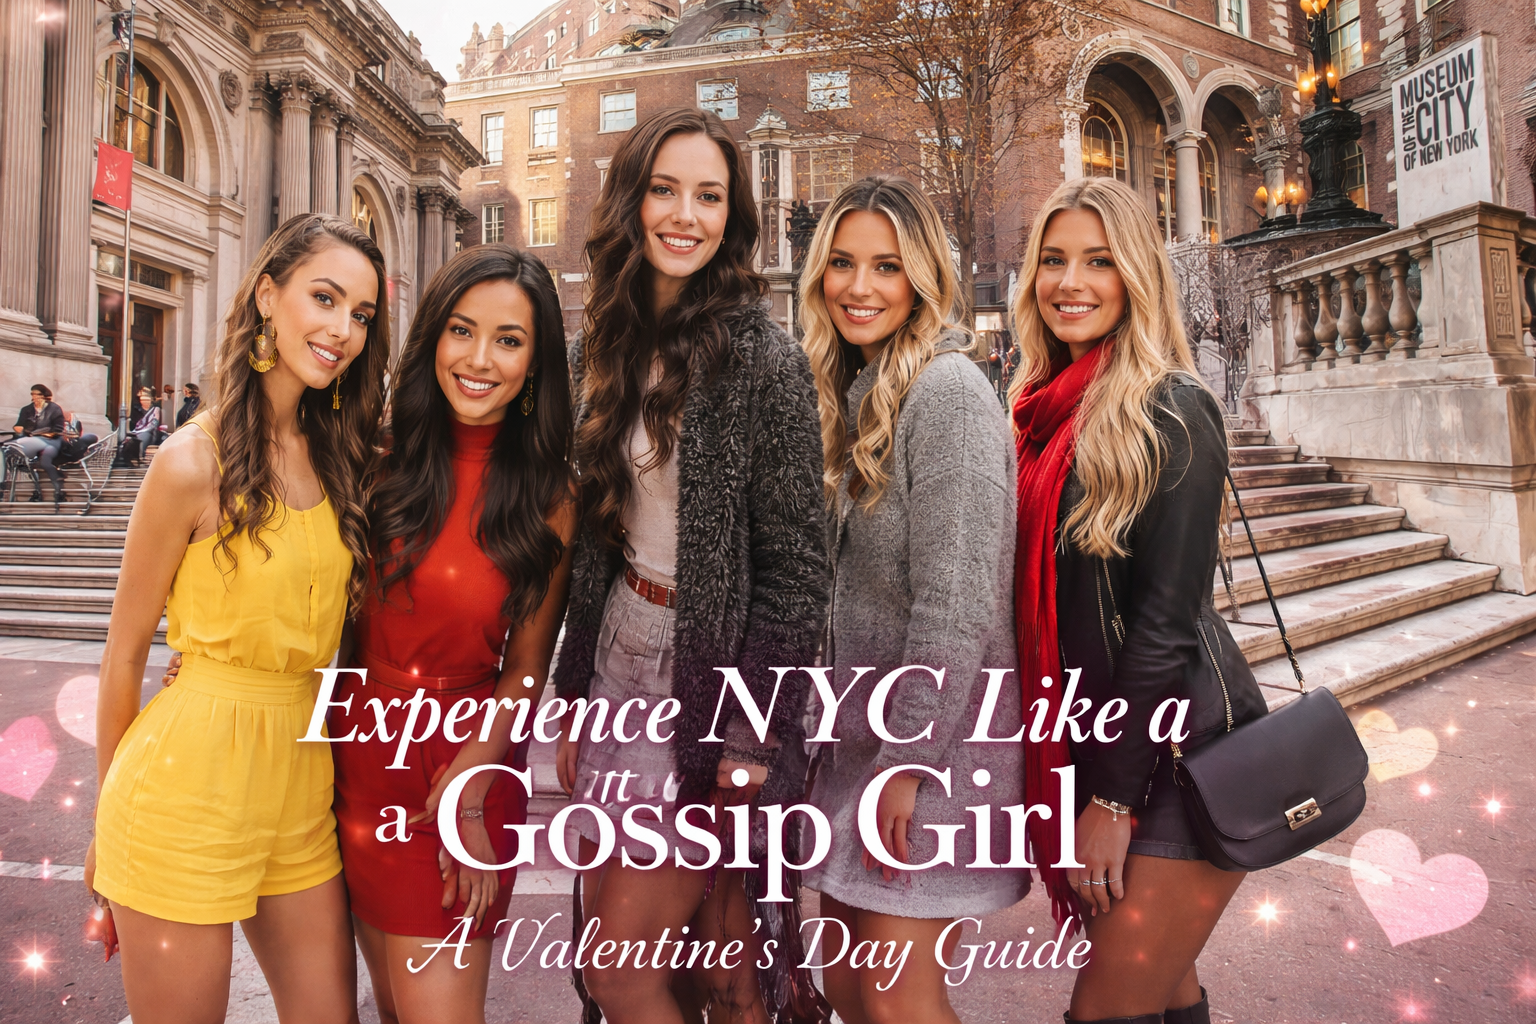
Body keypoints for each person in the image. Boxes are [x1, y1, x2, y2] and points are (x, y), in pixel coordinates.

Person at [551, 107, 829, 1024]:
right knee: (638, 966)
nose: (685, 214)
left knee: (630, 969)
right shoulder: (609, 345)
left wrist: (750, 742)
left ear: (731, 215)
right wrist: (569, 689)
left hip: (708, 679)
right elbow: (599, 539)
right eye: (665, 189)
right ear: (631, 202)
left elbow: (796, 575)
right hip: (616, 658)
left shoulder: (765, 359)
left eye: (709, 195)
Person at [85, 213, 389, 1024]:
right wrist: (104, 833)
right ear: (266, 294)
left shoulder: (345, 454)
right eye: (324, 298)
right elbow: (122, 656)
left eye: (361, 314)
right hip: (184, 787)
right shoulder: (190, 461)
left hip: (300, 782)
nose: (342, 331)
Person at [1009, 177, 1265, 1024]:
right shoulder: (1039, 417)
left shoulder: (1173, 409)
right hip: (1098, 749)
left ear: (1136, 278)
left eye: (1098, 261)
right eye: (1053, 260)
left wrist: (1112, 801)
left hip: (1177, 762)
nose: (1070, 283)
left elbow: (1161, 624)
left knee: (1107, 1009)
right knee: (1163, 986)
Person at [797, 176, 1029, 1024]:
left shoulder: (948, 395)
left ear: (924, 277)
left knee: (899, 1005)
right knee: (853, 995)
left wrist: (910, 762)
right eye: (844, 265)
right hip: (859, 752)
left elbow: (957, 602)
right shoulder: (857, 397)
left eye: (887, 267)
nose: (860, 288)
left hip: (932, 757)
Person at [327, 245, 577, 1024]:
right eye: (461, 331)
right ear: (432, 336)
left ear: (536, 363)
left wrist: (471, 784)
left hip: (461, 773)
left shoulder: (550, 496)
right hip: (354, 764)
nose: (478, 359)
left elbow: (527, 671)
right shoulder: (373, 462)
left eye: (508, 340)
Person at [12, 383, 67, 506]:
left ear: (45, 396)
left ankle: (58, 491)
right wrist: (21, 429)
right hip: (31, 440)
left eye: (38, 395)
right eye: (32, 394)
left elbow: (58, 429)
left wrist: (43, 432)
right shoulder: (27, 410)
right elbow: (20, 425)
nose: (35, 397)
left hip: (52, 440)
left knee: (45, 460)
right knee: (30, 459)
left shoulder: (54, 409)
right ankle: (39, 491)